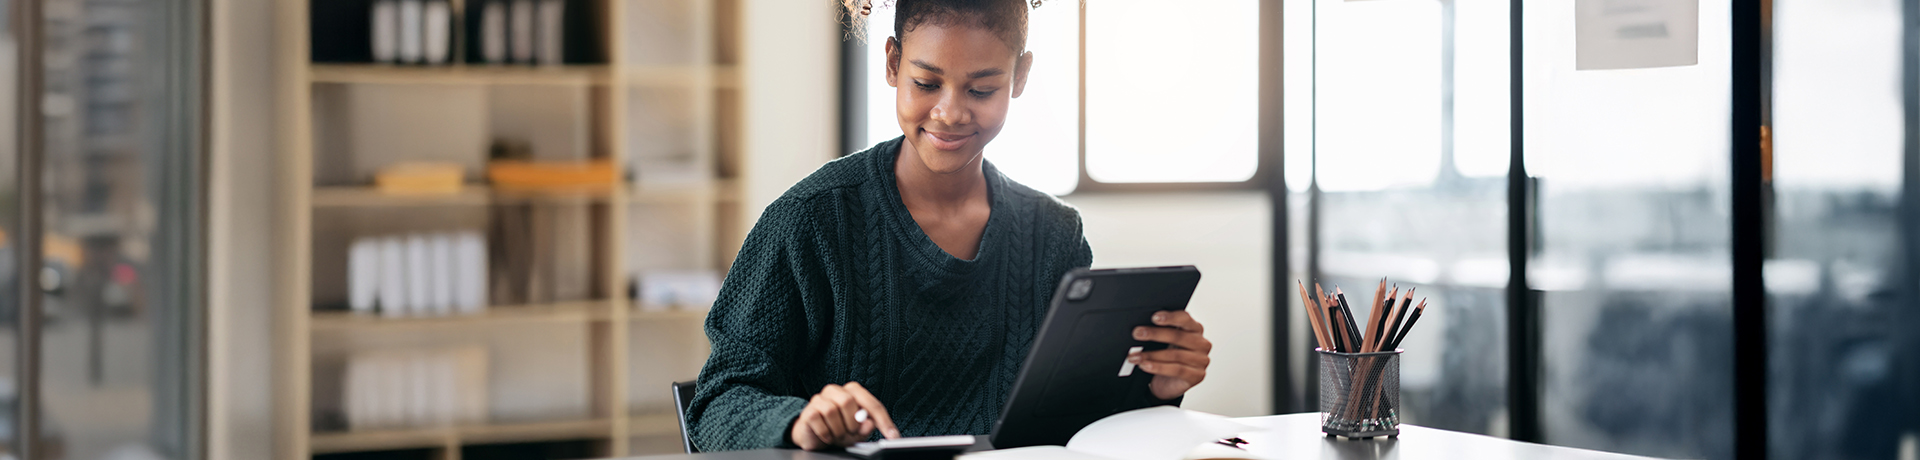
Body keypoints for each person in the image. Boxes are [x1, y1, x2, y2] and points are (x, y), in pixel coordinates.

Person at [686, 0, 1213, 451]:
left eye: (982, 90)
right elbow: (714, 404)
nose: (950, 112)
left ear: (1020, 76)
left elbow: (1071, 412)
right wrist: (798, 421)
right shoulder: (810, 221)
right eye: (926, 82)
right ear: (892, 63)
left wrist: (1154, 386)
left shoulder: (1054, 236)